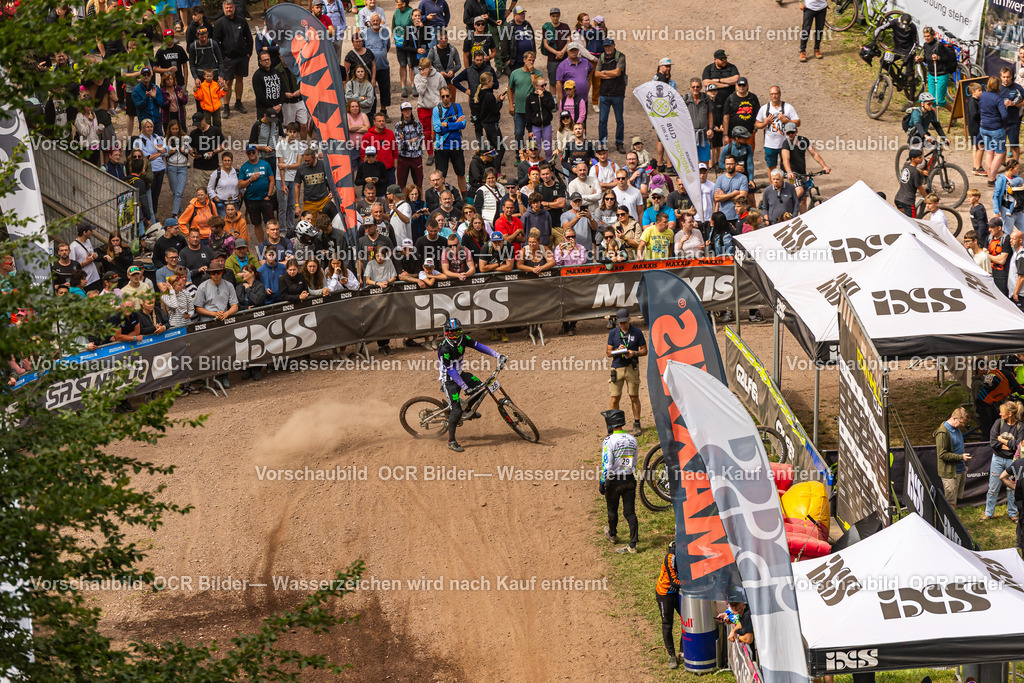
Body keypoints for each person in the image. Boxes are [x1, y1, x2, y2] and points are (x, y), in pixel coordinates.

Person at [436, 317, 506, 452]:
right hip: (449, 379)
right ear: (446, 333)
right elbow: (451, 371)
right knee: (456, 410)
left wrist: (498, 355)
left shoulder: (463, 338)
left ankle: (467, 410)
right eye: (452, 333)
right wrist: (465, 387)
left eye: (457, 332)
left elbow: (478, 346)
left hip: (460, 373)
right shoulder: (444, 349)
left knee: (481, 388)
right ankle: (451, 441)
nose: (455, 336)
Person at [600, 408, 639, 554]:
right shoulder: (632, 439)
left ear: (610, 422)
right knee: (630, 512)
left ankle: (613, 534)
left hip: (614, 481)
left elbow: (607, 464)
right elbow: (634, 462)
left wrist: (602, 481)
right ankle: (633, 545)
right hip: (629, 479)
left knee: (612, 509)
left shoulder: (608, 441)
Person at [607, 307, 647, 436]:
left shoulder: (637, 332)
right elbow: (608, 353)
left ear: (629, 319)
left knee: (634, 397)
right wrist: (618, 350)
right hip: (617, 367)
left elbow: (644, 350)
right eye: (620, 322)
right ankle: (615, 425)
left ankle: (637, 424)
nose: (622, 324)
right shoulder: (613, 333)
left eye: (624, 322)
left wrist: (634, 353)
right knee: (614, 398)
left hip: (632, 368)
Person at [212, 0, 253, 120]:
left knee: (240, 79)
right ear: (223, 9)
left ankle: (238, 102)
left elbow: (249, 38)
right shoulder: (219, 23)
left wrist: (249, 54)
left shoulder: (241, 21)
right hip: (227, 58)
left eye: (230, 8)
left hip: (242, 57)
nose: (228, 10)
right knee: (228, 82)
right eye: (226, 8)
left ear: (234, 8)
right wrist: (222, 57)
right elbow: (216, 42)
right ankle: (226, 106)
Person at [985, 400, 1024, 521]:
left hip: (1012, 461)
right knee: (993, 487)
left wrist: (1002, 441)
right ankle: (988, 513)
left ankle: (1012, 513)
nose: (1000, 414)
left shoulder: (1020, 426)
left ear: (1010, 414)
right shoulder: (998, 423)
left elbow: (1018, 445)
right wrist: (1008, 445)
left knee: (1012, 488)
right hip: (997, 458)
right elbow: (992, 442)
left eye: (1002, 412)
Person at [780, 122, 831, 213]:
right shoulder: (786, 144)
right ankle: (784, 207)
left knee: (803, 199)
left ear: (796, 131)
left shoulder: (804, 141)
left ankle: (804, 218)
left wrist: (824, 166)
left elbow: (814, 154)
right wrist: (789, 172)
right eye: (788, 133)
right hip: (793, 174)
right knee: (799, 191)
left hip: (802, 173)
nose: (791, 134)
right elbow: (785, 159)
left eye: (792, 132)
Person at [755, 85, 799, 172]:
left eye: (775, 94)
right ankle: (773, 185)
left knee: (787, 167)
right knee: (771, 167)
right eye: (771, 94)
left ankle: (787, 185)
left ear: (780, 94)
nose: (774, 96)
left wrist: (786, 120)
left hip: (785, 143)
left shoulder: (788, 107)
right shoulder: (764, 108)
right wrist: (765, 123)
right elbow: (757, 124)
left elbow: (798, 123)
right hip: (769, 144)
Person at [934, 406, 972, 508]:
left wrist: (965, 464)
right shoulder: (942, 433)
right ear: (954, 418)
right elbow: (942, 454)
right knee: (950, 502)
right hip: (950, 472)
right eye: (962, 422)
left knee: (955, 500)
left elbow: (960, 448)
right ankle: (948, 523)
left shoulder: (957, 429)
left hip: (960, 469)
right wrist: (961, 458)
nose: (963, 425)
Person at [432, 86, 467, 194]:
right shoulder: (436, 110)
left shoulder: (457, 107)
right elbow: (437, 128)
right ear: (440, 97)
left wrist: (446, 124)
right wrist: (455, 123)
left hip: (456, 145)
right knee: (441, 176)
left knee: (461, 173)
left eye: (447, 96)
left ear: (451, 95)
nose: (446, 98)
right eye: (443, 96)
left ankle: (464, 196)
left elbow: (463, 124)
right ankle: (442, 196)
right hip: (442, 146)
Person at [594, 38, 626, 154]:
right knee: (602, 120)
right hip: (604, 94)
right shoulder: (601, 58)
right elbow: (596, 74)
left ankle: (619, 142)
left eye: (609, 46)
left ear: (614, 46)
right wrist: (611, 74)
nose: (607, 48)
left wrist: (604, 73)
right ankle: (602, 143)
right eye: (606, 46)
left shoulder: (621, 56)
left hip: (618, 93)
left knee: (619, 120)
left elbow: (618, 73)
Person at [655, 541, 681, 668]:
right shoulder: (670, 557)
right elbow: (675, 581)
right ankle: (672, 656)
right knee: (667, 624)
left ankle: (683, 650)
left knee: (689, 620)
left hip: (679, 593)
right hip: (665, 593)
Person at [918, 25, 957, 108]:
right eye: (925, 36)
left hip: (941, 74)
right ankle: (934, 119)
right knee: (932, 100)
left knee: (939, 100)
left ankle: (953, 114)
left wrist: (938, 58)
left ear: (933, 35)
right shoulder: (925, 45)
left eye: (928, 36)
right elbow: (927, 59)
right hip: (931, 75)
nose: (927, 38)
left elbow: (946, 59)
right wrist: (921, 59)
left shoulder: (938, 45)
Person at [895, 147, 927, 217]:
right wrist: (927, 197)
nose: (922, 159)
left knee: (904, 220)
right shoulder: (915, 173)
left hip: (898, 199)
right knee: (913, 223)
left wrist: (922, 172)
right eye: (919, 157)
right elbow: (920, 188)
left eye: (921, 157)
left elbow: (913, 170)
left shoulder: (906, 166)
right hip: (908, 203)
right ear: (913, 159)